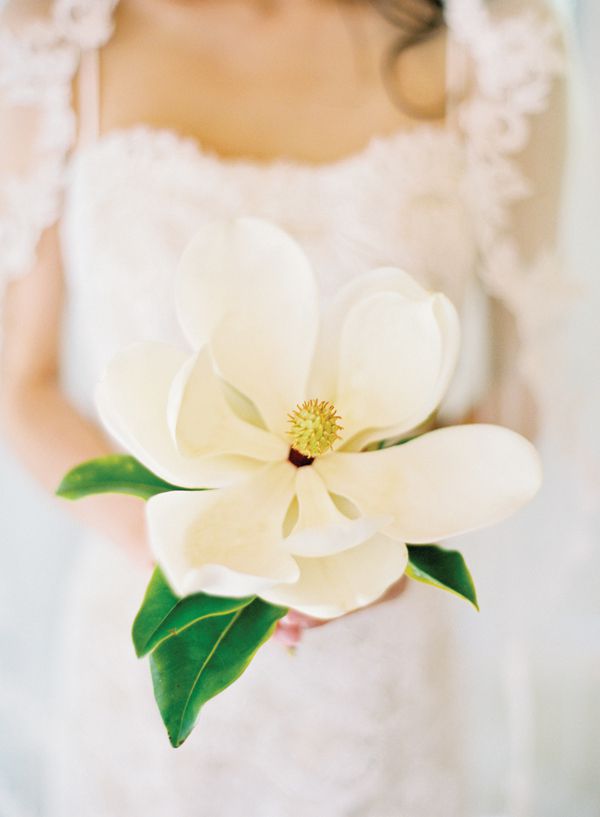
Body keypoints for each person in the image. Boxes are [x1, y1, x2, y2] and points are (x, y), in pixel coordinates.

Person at [0, 1, 571, 815]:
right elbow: (20, 379)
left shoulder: (495, 41)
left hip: (379, 657)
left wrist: (377, 546)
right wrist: (189, 547)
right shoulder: (58, 41)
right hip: (151, 611)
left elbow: (528, 372)